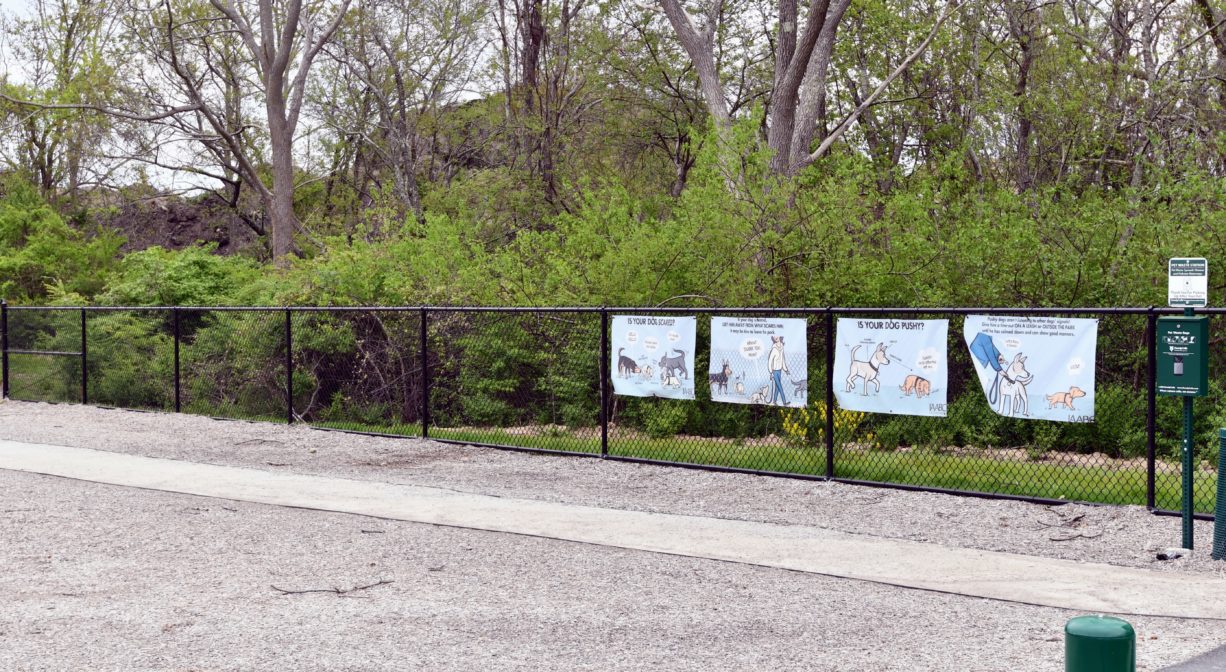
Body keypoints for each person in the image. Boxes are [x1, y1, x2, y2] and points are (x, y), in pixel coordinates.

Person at [767, 335, 790, 405]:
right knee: (780, 387)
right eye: (774, 336)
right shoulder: (773, 349)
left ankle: (774, 401)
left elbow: (783, 360)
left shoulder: (782, 348)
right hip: (774, 371)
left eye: (777, 335)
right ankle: (784, 402)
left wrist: (786, 370)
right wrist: (771, 372)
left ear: (780, 337)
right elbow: (769, 361)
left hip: (780, 371)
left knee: (777, 387)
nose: (775, 337)